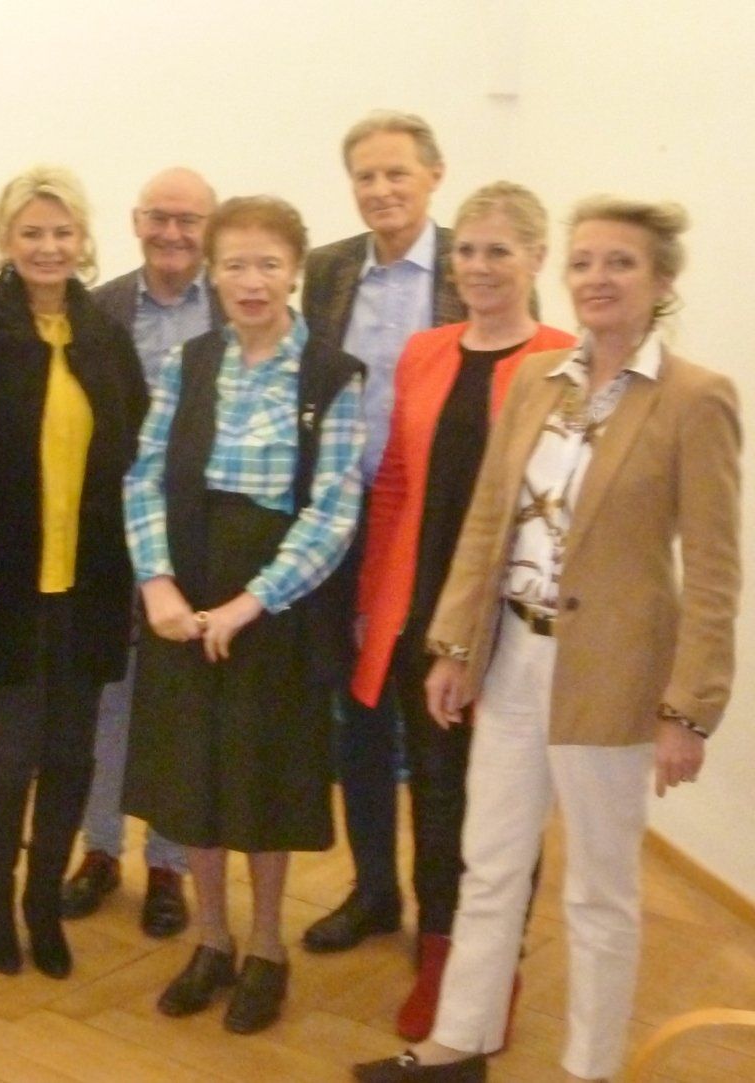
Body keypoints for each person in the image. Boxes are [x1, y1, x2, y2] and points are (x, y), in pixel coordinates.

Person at [355, 198, 740, 1083]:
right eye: (585, 261)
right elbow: (489, 520)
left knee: (600, 891)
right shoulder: (537, 379)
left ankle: (589, 1069)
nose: (597, 278)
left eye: (621, 263)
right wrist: (454, 646)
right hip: (513, 659)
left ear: (662, 280)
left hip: (611, 673)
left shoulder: (695, 397)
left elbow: (716, 572)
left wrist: (689, 706)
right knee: (489, 862)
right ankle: (459, 1041)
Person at [124, 195, 366, 1034]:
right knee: (193, 775)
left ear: (294, 270)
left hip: (276, 603)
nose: (251, 281)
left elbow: (333, 511)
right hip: (185, 597)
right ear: (213, 272)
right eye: (235, 264)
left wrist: (250, 603)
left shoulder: (332, 375)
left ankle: (266, 945)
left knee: (264, 781)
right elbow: (143, 477)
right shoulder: (188, 363)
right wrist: (157, 584)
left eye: (268, 263)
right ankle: (212, 938)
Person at [349, 182, 576, 1042]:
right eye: (468, 251)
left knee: (506, 804)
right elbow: (397, 485)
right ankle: (441, 956)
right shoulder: (424, 350)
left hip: (511, 622)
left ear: (535, 259)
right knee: (436, 795)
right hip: (423, 614)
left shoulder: (564, 358)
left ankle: (494, 969)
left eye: (499, 251)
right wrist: (374, 602)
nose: (478, 267)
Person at [0, 165, 149, 980]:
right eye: (32, 232)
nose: (48, 246)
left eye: (62, 232)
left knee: (72, 754)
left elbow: (135, 461)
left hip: (91, 581)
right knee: (13, 751)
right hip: (7, 579)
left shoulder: (105, 338)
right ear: (6, 241)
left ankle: (42, 902)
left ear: (82, 240)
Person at [300, 110, 467, 956]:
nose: (380, 189)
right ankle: (373, 890)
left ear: (435, 174)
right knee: (357, 715)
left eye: (396, 172)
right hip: (349, 523)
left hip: (441, 535)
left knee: (435, 722)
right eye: (365, 176)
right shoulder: (328, 270)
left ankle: (446, 911)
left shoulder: (475, 267)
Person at [62, 166, 222, 935]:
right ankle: (99, 849)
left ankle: (168, 862)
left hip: (201, 537)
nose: (172, 233)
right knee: (105, 699)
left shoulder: (237, 309)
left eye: (189, 220)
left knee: (181, 706)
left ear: (210, 229)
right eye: (159, 216)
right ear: (135, 221)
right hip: (108, 534)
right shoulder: (97, 309)